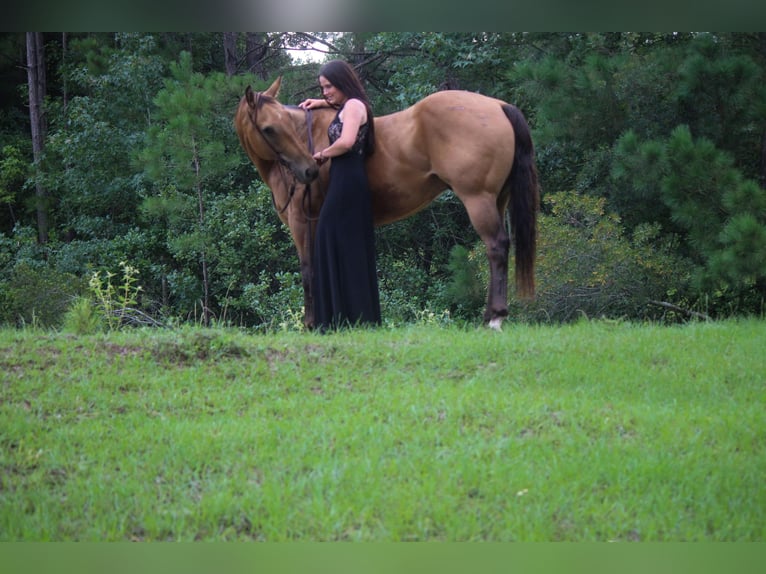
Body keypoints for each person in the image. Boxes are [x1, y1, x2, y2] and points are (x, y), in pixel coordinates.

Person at [299, 60, 381, 331]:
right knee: (335, 243)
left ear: (343, 82)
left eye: (329, 87)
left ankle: (346, 319)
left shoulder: (355, 106)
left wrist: (320, 155)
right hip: (342, 180)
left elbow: (346, 142)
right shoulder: (348, 106)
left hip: (349, 181)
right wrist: (320, 103)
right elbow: (341, 110)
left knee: (329, 238)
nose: (325, 92)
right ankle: (341, 320)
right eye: (322, 88)